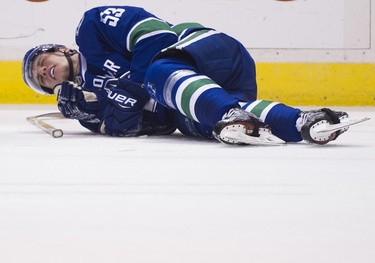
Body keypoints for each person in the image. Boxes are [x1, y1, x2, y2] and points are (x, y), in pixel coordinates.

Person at [22, 5, 350, 145]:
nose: (43, 72)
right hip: (203, 96)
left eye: (40, 60)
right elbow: (160, 124)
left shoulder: (91, 27)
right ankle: (302, 122)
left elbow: (154, 34)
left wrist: (133, 87)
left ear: (59, 48)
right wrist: (92, 114)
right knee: (205, 125)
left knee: (157, 71)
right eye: (40, 80)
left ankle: (225, 111)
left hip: (208, 51)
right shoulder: (87, 107)